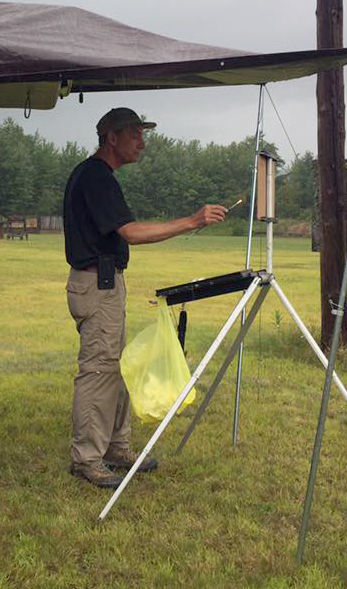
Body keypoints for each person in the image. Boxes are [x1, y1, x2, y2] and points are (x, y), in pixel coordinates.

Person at [63, 107, 227, 488]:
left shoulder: (100, 176)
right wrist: (192, 220)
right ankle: (87, 457)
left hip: (104, 283)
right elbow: (131, 232)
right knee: (99, 371)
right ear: (111, 138)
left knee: (113, 369)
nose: (142, 142)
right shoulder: (95, 176)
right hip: (96, 285)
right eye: (135, 134)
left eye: (142, 134)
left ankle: (115, 447)